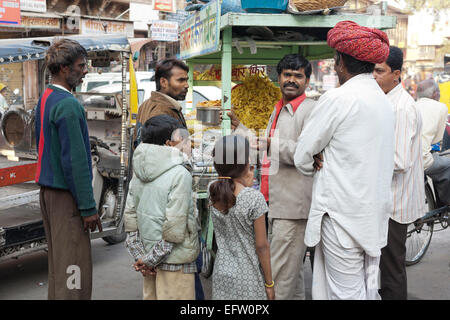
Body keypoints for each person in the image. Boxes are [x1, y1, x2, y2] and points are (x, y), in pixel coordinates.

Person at [293, 21, 395, 300]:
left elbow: (302, 155)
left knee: (345, 294)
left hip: (342, 219)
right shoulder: (384, 101)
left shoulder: (339, 98)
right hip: (372, 219)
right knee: (366, 290)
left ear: (340, 63)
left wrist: (315, 156)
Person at [228, 54, 316, 300]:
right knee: (292, 275)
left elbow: (307, 153)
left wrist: (271, 143)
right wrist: (241, 129)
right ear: (278, 78)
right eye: (287, 75)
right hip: (274, 202)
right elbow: (263, 146)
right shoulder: (278, 108)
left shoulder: (310, 110)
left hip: (293, 207)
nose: (291, 80)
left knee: (277, 278)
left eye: (298, 76)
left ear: (307, 81)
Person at [35, 39, 102, 300]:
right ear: (64, 68)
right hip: (66, 199)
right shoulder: (68, 105)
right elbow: (75, 163)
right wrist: (87, 208)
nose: (85, 71)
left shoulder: (46, 98)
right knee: (74, 268)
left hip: (49, 194)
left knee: (60, 268)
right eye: (81, 66)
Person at [124, 115, 200, 300]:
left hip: (150, 261)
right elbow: (174, 230)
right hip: (175, 261)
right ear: (169, 143)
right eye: (182, 138)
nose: (187, 143)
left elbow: (131, 221)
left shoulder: (139, 170)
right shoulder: (180, 174)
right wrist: (148, 260)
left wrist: (143, 258)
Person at [373, 46, 425, 300]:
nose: (374, 75)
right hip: (387, 200)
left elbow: (399, 160)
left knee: (392, 269)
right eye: (372, 69)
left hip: (395, 203)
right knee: (382, 268)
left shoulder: (401, 108)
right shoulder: (386, 101)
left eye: (379, 70)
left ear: (396, 74)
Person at [209, 135, 274, 300]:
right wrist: (269, 284)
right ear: (245, 164)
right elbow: (262, 246)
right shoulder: (253, 198)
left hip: (222, 274)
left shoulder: (213, 191)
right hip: (248, 277)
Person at [134, 58, 189, 146]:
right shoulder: (162, 111)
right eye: (181, 80)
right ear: (163, 82)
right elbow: (161, 152)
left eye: (186, 80)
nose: (186, 85)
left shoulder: (148, 103)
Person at [415, 79, 450, 206]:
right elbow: (437, 139)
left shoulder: (413, 105)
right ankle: (447, 202)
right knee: (447, 164)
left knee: (439, 162)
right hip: (422, 159)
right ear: (435, 94)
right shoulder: (440, 107)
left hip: (408, 156)